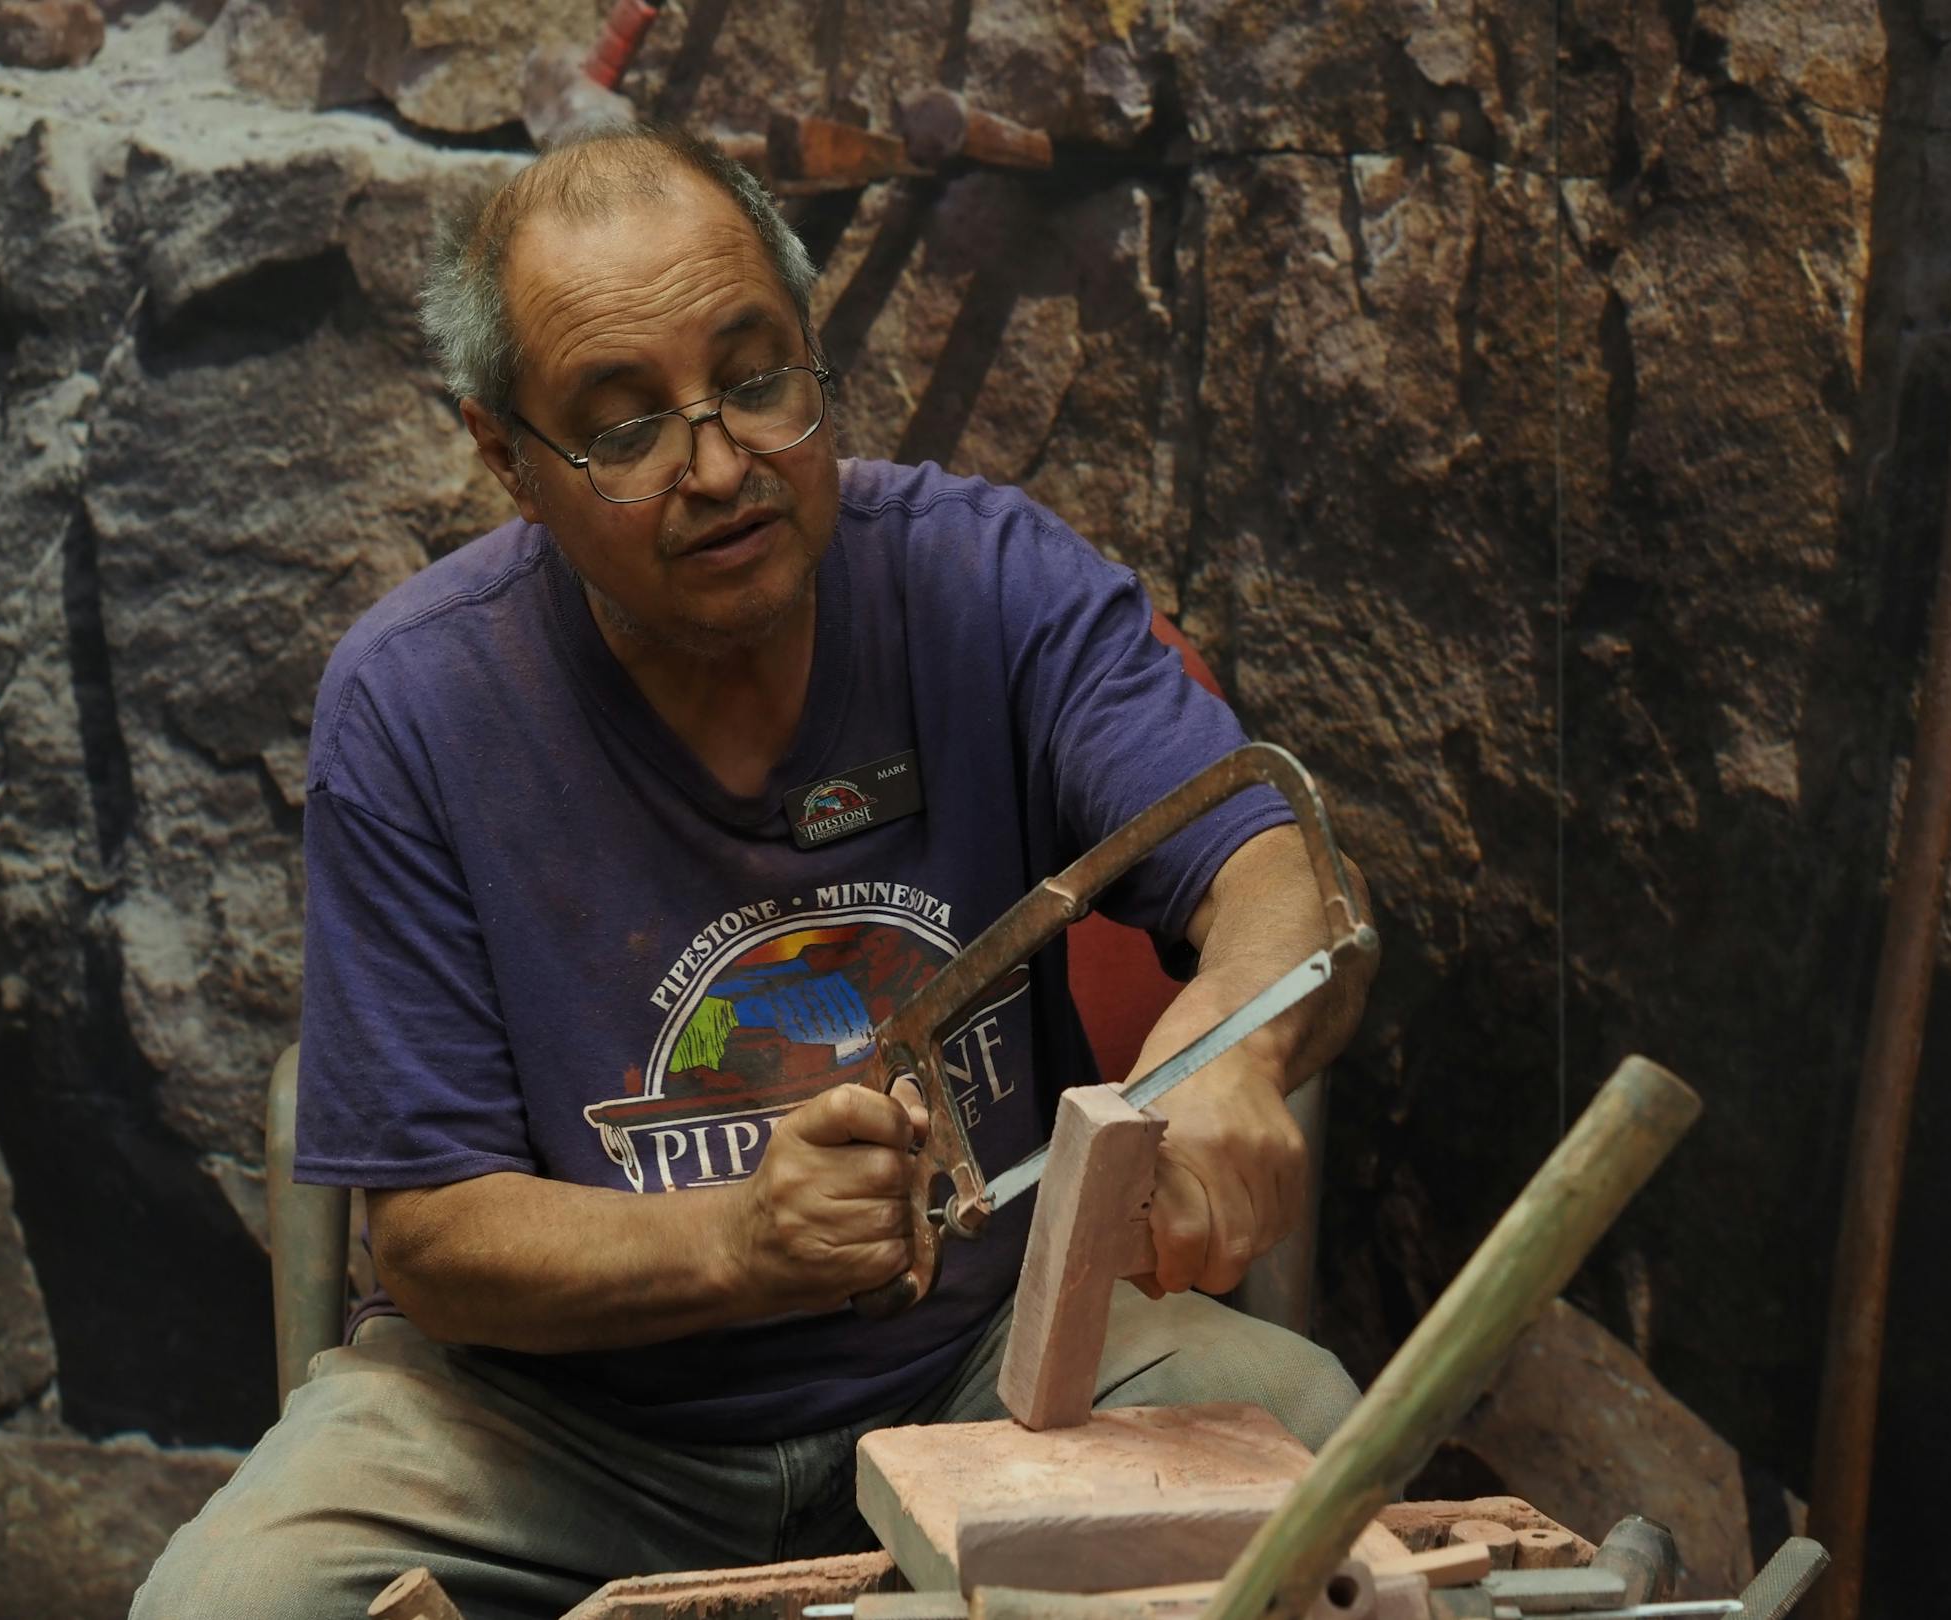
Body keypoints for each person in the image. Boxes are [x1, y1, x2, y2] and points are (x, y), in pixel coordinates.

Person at [131, 124, 1375, 1620]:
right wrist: (737, 1243)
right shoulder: (414, 706)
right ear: (507, 460)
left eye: (755, 377)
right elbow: (442, 1243)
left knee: (1328, 1478)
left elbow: (1268, 860)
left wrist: (1231, 1049)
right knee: (231, 1606)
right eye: (623, 424)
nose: (718, 465)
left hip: (990, 1368)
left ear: (815, 354)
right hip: (553, 1430)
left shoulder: (984, 580)